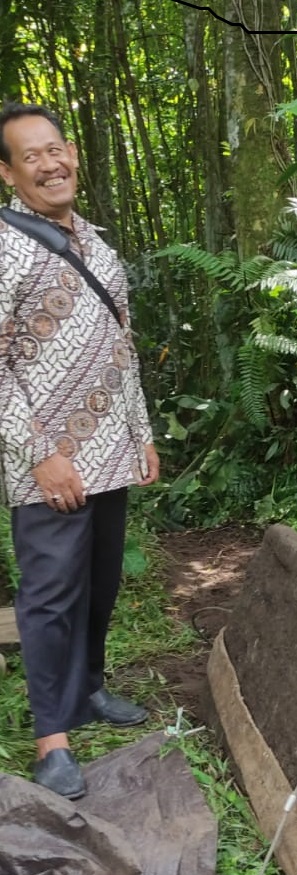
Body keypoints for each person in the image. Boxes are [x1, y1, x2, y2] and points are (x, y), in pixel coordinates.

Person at [0, 102, 159, 800]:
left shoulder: (95, 243)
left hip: (109, 454)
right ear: (8, 172)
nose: (52, 161)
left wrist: (142, 434)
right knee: (49, 596)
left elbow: (121, 348)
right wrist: (39, 453)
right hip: (49, 463)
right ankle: (51, 740)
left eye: (57, 147)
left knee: (99, 585)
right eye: (32, 155)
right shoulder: (4, 246)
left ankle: (89, 689)